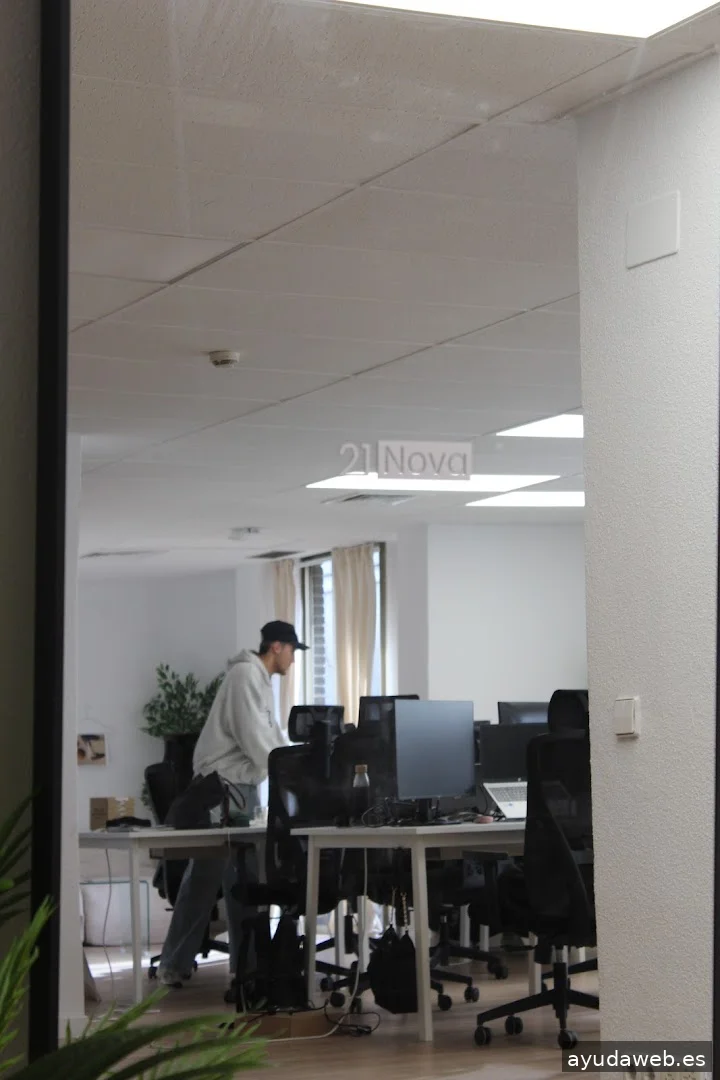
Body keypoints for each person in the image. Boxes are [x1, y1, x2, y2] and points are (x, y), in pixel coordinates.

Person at [156, 620, 308, 988]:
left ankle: (248, 965)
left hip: (242, 788)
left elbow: (271, 736)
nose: (293, 659)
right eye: (292, 650)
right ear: (277, 647)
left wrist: (297, 761)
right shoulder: (244, 676)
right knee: (206, 878)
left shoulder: (259, 680)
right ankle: (174, 964)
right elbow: (253, 737)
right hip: (221, 789)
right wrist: (287, 767)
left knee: (245, 878)